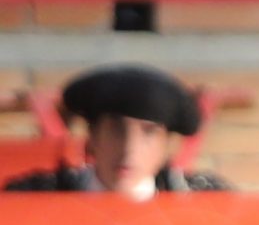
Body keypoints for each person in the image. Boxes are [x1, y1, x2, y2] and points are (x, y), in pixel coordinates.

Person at [3, 66, 235, 196]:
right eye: (116, 129)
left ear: (166, 146)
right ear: (93, 137)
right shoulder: (33, 195)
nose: (129, 149)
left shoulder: (204, 198)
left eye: (149, 132)